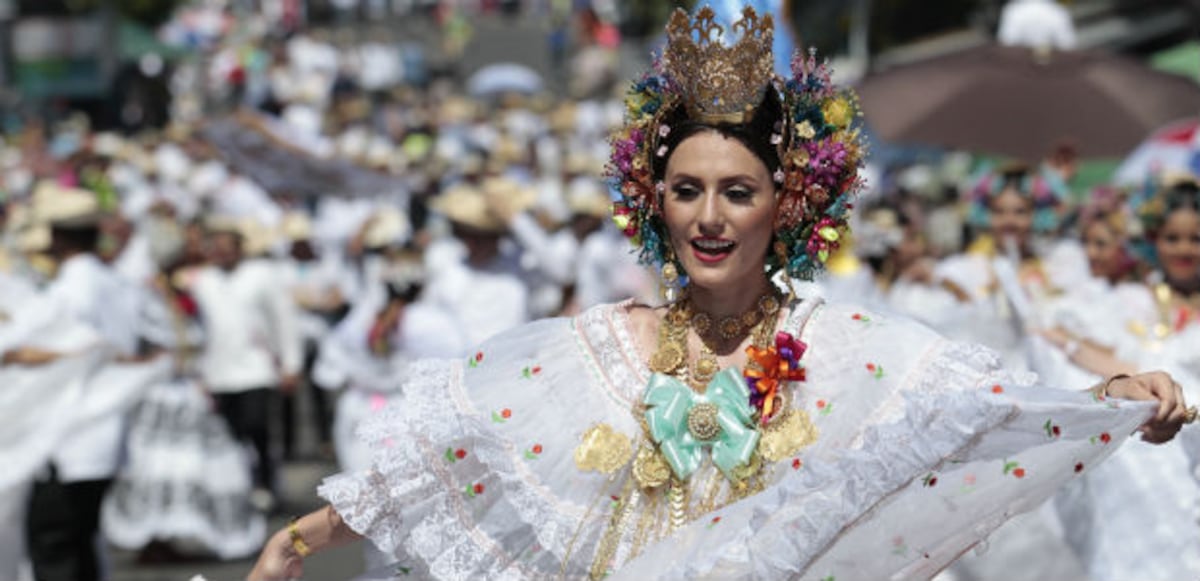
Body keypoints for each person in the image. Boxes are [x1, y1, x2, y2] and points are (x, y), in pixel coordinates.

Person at [249, 8, 1190, 580]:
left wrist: (1107, 400)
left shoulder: (846, 346)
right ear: (652, 200)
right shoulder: (594, 348)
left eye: (737, 191)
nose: (708, 216)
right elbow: (453, 460)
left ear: (786, 205)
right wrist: (301, 535)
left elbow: (984, 411)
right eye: (686, 189)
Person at [191, 219, 303, 512]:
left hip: (256, 367)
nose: (222, 254)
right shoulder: (203, 281)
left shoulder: (262, 275)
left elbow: (283, 320)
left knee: (258, 426)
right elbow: (202, 330)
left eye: (228, 248)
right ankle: (239, 484)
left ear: (240, 249)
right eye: (216, 249)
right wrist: (199, 371)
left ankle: (266, 483)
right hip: (219, 371)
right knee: (231, 434)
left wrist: (291, 363)